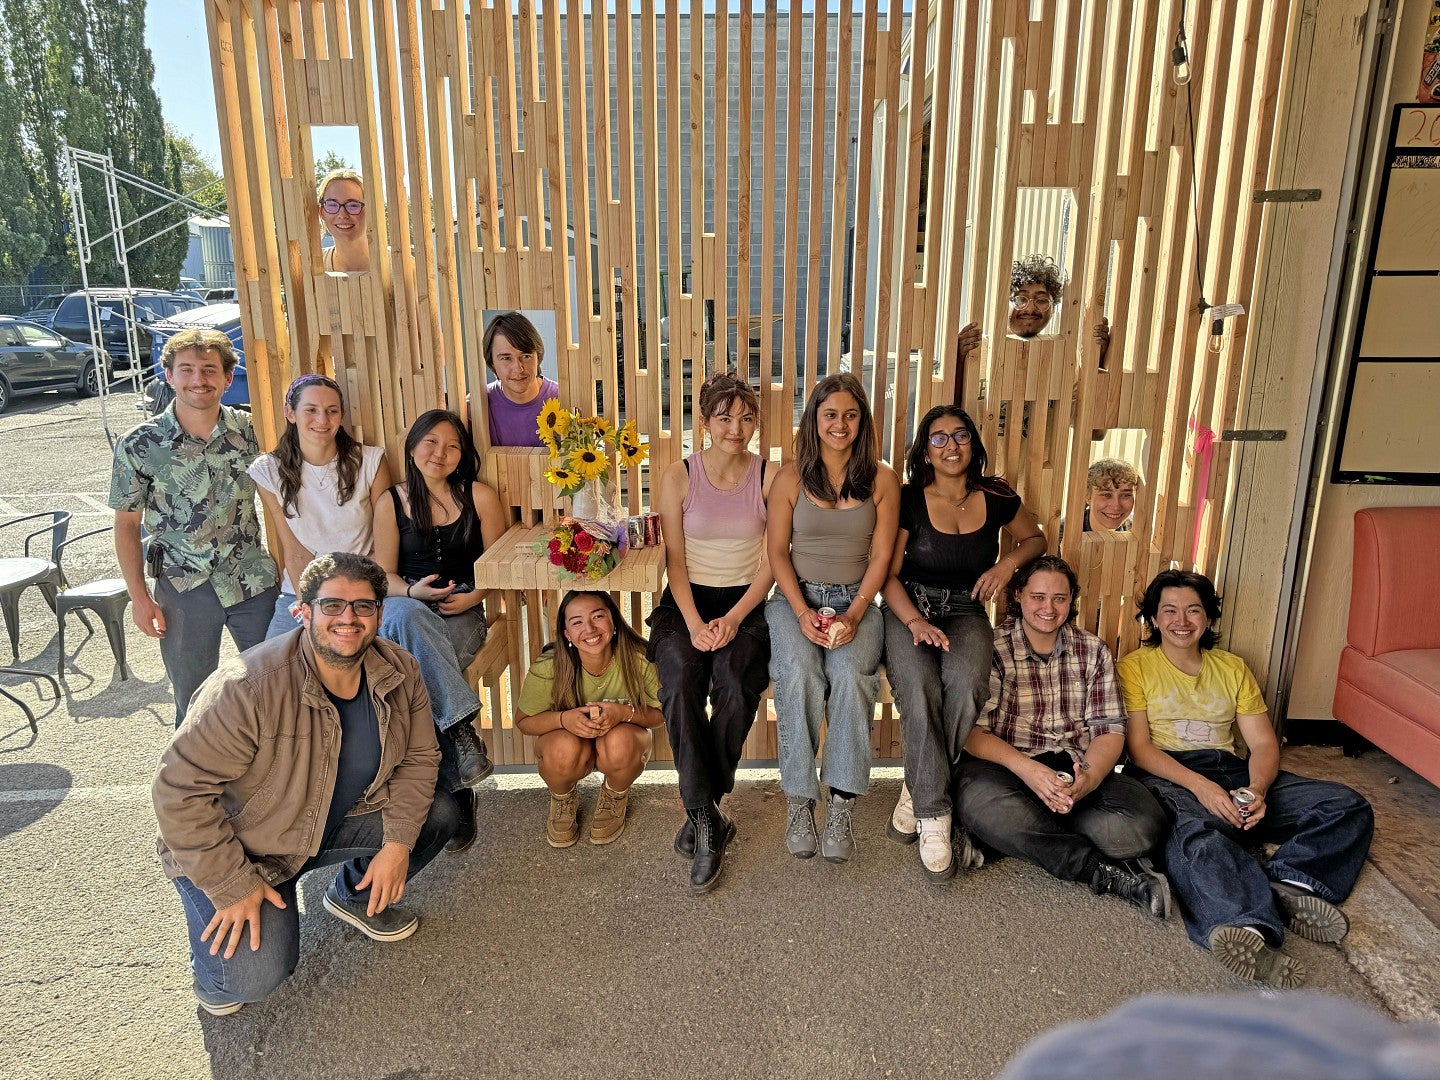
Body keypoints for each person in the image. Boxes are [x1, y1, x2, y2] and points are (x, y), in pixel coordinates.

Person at [152, 553, 457, 1016]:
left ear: (380, 612)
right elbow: (178, 791)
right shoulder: (247, 687)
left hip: (330, 820)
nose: (348, 619)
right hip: (245, 846)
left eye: (363, 606)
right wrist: (233, 882)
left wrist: (396, 846)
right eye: (332, 605)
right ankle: (212, 973)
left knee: (441, 811)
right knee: (251, 978)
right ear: (303, 610)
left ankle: (353, 894)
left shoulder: (398, 669)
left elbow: (419, 759)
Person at [1119, 569, 1374, 988]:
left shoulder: (1232, 667)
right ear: (1153, 619)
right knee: (1198, 837)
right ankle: (1249, 928)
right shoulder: (1135, 667)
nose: (1181, 621)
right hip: (1168, 773)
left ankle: (1292, 882)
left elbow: (1263, 744)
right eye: (1169, 611)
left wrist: (1257, 789)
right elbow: (1141, 750)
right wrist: (1201, 787)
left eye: (1193, 610)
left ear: (1209, 618)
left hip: (1230, 767)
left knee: (1345, 804)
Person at [879, 405, 1046, 880]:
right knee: (917, 686)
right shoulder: (911, 499)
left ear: (972, 443)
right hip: (908, 604)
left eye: (960, 436)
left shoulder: (996, 495)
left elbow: (1036, 539)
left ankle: (918, 782)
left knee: (969, 684)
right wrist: (913, 622)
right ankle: (934, 812)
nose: (950, 446)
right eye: (938, 439)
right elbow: (887, 576)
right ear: (925, 451)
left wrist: (1004, 566)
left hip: (966, 609)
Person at [957, 556, 1172, 917]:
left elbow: (1109, 730)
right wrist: (1028, 771)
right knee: (984, 806)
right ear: (1019, 596)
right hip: (1006, 765)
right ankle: (1101, 872)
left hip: (1075, 764)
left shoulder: (1093, 651)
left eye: (1059, 598)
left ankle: (1003, 840)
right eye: (1038, 596)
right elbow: (971, 734)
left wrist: (1088, 779)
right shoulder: (991, 648)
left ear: (1071, 601)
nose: (1048, 607)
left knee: (1145, 825)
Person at [109, 327, 280, 728]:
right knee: (194, 700)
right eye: (186, 369)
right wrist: (139, 598)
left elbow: (280, 502)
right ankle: (195, 786)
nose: (198, 380)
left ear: (226, 377)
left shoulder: (252, 431)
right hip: (183, 587)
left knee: (274, 689)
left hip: (252, 580)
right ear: (168, 376)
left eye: (209, 369)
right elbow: (126, 525)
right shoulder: (139, 444)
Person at [766, 372, 900, 863]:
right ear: (814, 421)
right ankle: (801, 801)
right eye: (829, 415)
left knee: (849, 676)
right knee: (798, 673)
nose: (840, 424)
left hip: (858, 599)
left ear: (862, 420)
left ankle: (841, 803)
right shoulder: (791, 477)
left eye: (849, 415)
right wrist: (801, 612)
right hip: (795, 598)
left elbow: (882, 556)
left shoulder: (882, 479)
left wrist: (856, 611)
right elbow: (777, 552)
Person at [650, 372, 775, 892]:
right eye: (724, 418)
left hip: (745, 602)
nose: (736, 428)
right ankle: (707, 818)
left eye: (746, 417)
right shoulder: (679, 475)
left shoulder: (769, 476)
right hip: (687, 603)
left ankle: (702, 807)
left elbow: (773, 560)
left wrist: (735, 617)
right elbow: (674, 562)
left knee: (736, 680)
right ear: (703, 422)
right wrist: (699, 625)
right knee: (679, 679)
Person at [373, 409, 508, 849]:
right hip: (407, 609)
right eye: (430, 442)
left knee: (414, 677)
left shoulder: (480, 497)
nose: (440, 453)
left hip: (462, 613)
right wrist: (414, 594)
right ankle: (461, 742)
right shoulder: (390, 501)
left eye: (451, 445)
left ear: (462, 454)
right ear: (412, 448)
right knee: (403, 615)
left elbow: (496, 567)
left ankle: (453, 791)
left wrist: (474, 597)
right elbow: (384, 575)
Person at [515, 591, 664, 847]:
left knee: (621, 740)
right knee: (561, 746)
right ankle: (563, 798)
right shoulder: (551, 665)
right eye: (577, 622)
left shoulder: (638, 659)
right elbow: (524, 720)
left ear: (614, 622)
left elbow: (661, 714)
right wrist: (563, 720)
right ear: (566, 634)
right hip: (571, 744)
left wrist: (623, 714)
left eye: (598, 617)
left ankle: (615, 795)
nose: (590, 629)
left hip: (621, 742)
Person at [250, 373, 391, 639]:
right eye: (311, 410)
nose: (322, 420)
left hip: (361, 589)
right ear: (290, 413)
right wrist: (312, 608)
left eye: (332, 411)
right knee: (270, 664)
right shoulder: (268, 471)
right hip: (303, 592)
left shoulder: (371, 461)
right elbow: (293, 552)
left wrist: (353, 599)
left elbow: (385, 545)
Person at [483, 311, 560, 446]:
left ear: (538, 357)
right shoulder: (474, 407)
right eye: (506, 358)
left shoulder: (565, 400)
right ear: (491, 362)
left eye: (525, 356)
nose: (518, 368)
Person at [318, 168, 370, 273]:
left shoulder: (400, 264)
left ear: (370, 211)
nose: (342, 215)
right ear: (322, 212)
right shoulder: (313, 267)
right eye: (332, 204)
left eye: (353, 205)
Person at [1082, 458, 1138, 535]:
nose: (1116, 506)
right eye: (1107, 495)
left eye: (1126, 495)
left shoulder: (1139, 531)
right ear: (1088, 497)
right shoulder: (1063, 534)